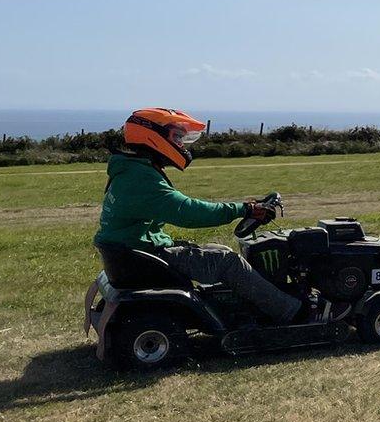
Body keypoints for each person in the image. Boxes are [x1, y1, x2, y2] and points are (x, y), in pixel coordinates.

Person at [93, 108, 343, 325]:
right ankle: (297, 312)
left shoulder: (131, 170)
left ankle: (249, 305)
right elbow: (190, 212)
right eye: (176, 137)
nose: (181, 144)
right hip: (142, 257)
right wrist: (242, 209)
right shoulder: (142, 179)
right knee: (227, 260)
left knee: (216, 249)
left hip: (133, 253)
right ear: (153, 136)